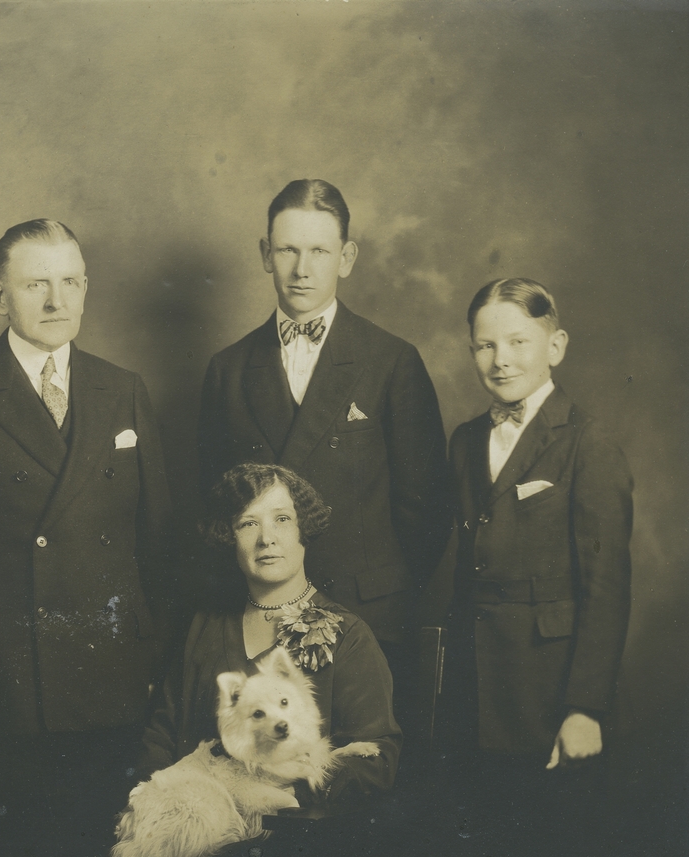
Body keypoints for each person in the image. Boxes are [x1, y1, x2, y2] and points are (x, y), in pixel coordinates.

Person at [0, 219, 174, 744]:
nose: (55, 301)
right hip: (7, 680)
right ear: (0, 296)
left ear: (85, 288)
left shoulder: (124, 388)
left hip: (117, 668)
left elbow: (158, 543)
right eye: (35, 284)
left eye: (69, 282)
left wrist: (165, 660)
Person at [197, 179, 452, 728]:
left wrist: (377, 590)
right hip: (261, 623)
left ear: (347, 257)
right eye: (287, 249)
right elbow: (212, 514)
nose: (302, 268)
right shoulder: (228, 370)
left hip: (369, 620)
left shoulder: (391, 361)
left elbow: (427, 512)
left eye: (319, 250)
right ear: (266, 255)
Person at [445, 278, 633, 766]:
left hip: (549, 687)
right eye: (486, 345)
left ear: (555, 347)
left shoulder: (587, 443)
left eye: (517, 342)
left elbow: (606, 588)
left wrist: (585, 708)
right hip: (472, 684)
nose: (501, 360)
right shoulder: (465, 441)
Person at [141, 464, 401, 811]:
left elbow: (376, 761)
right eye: (248, 523)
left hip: (294, 827)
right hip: (192, 817)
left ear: (303, 527)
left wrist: (284, 797)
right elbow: (161, 735)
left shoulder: (348, 636)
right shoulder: (204, 626)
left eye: (282, 519)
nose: (267, 538)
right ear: (229, 536)